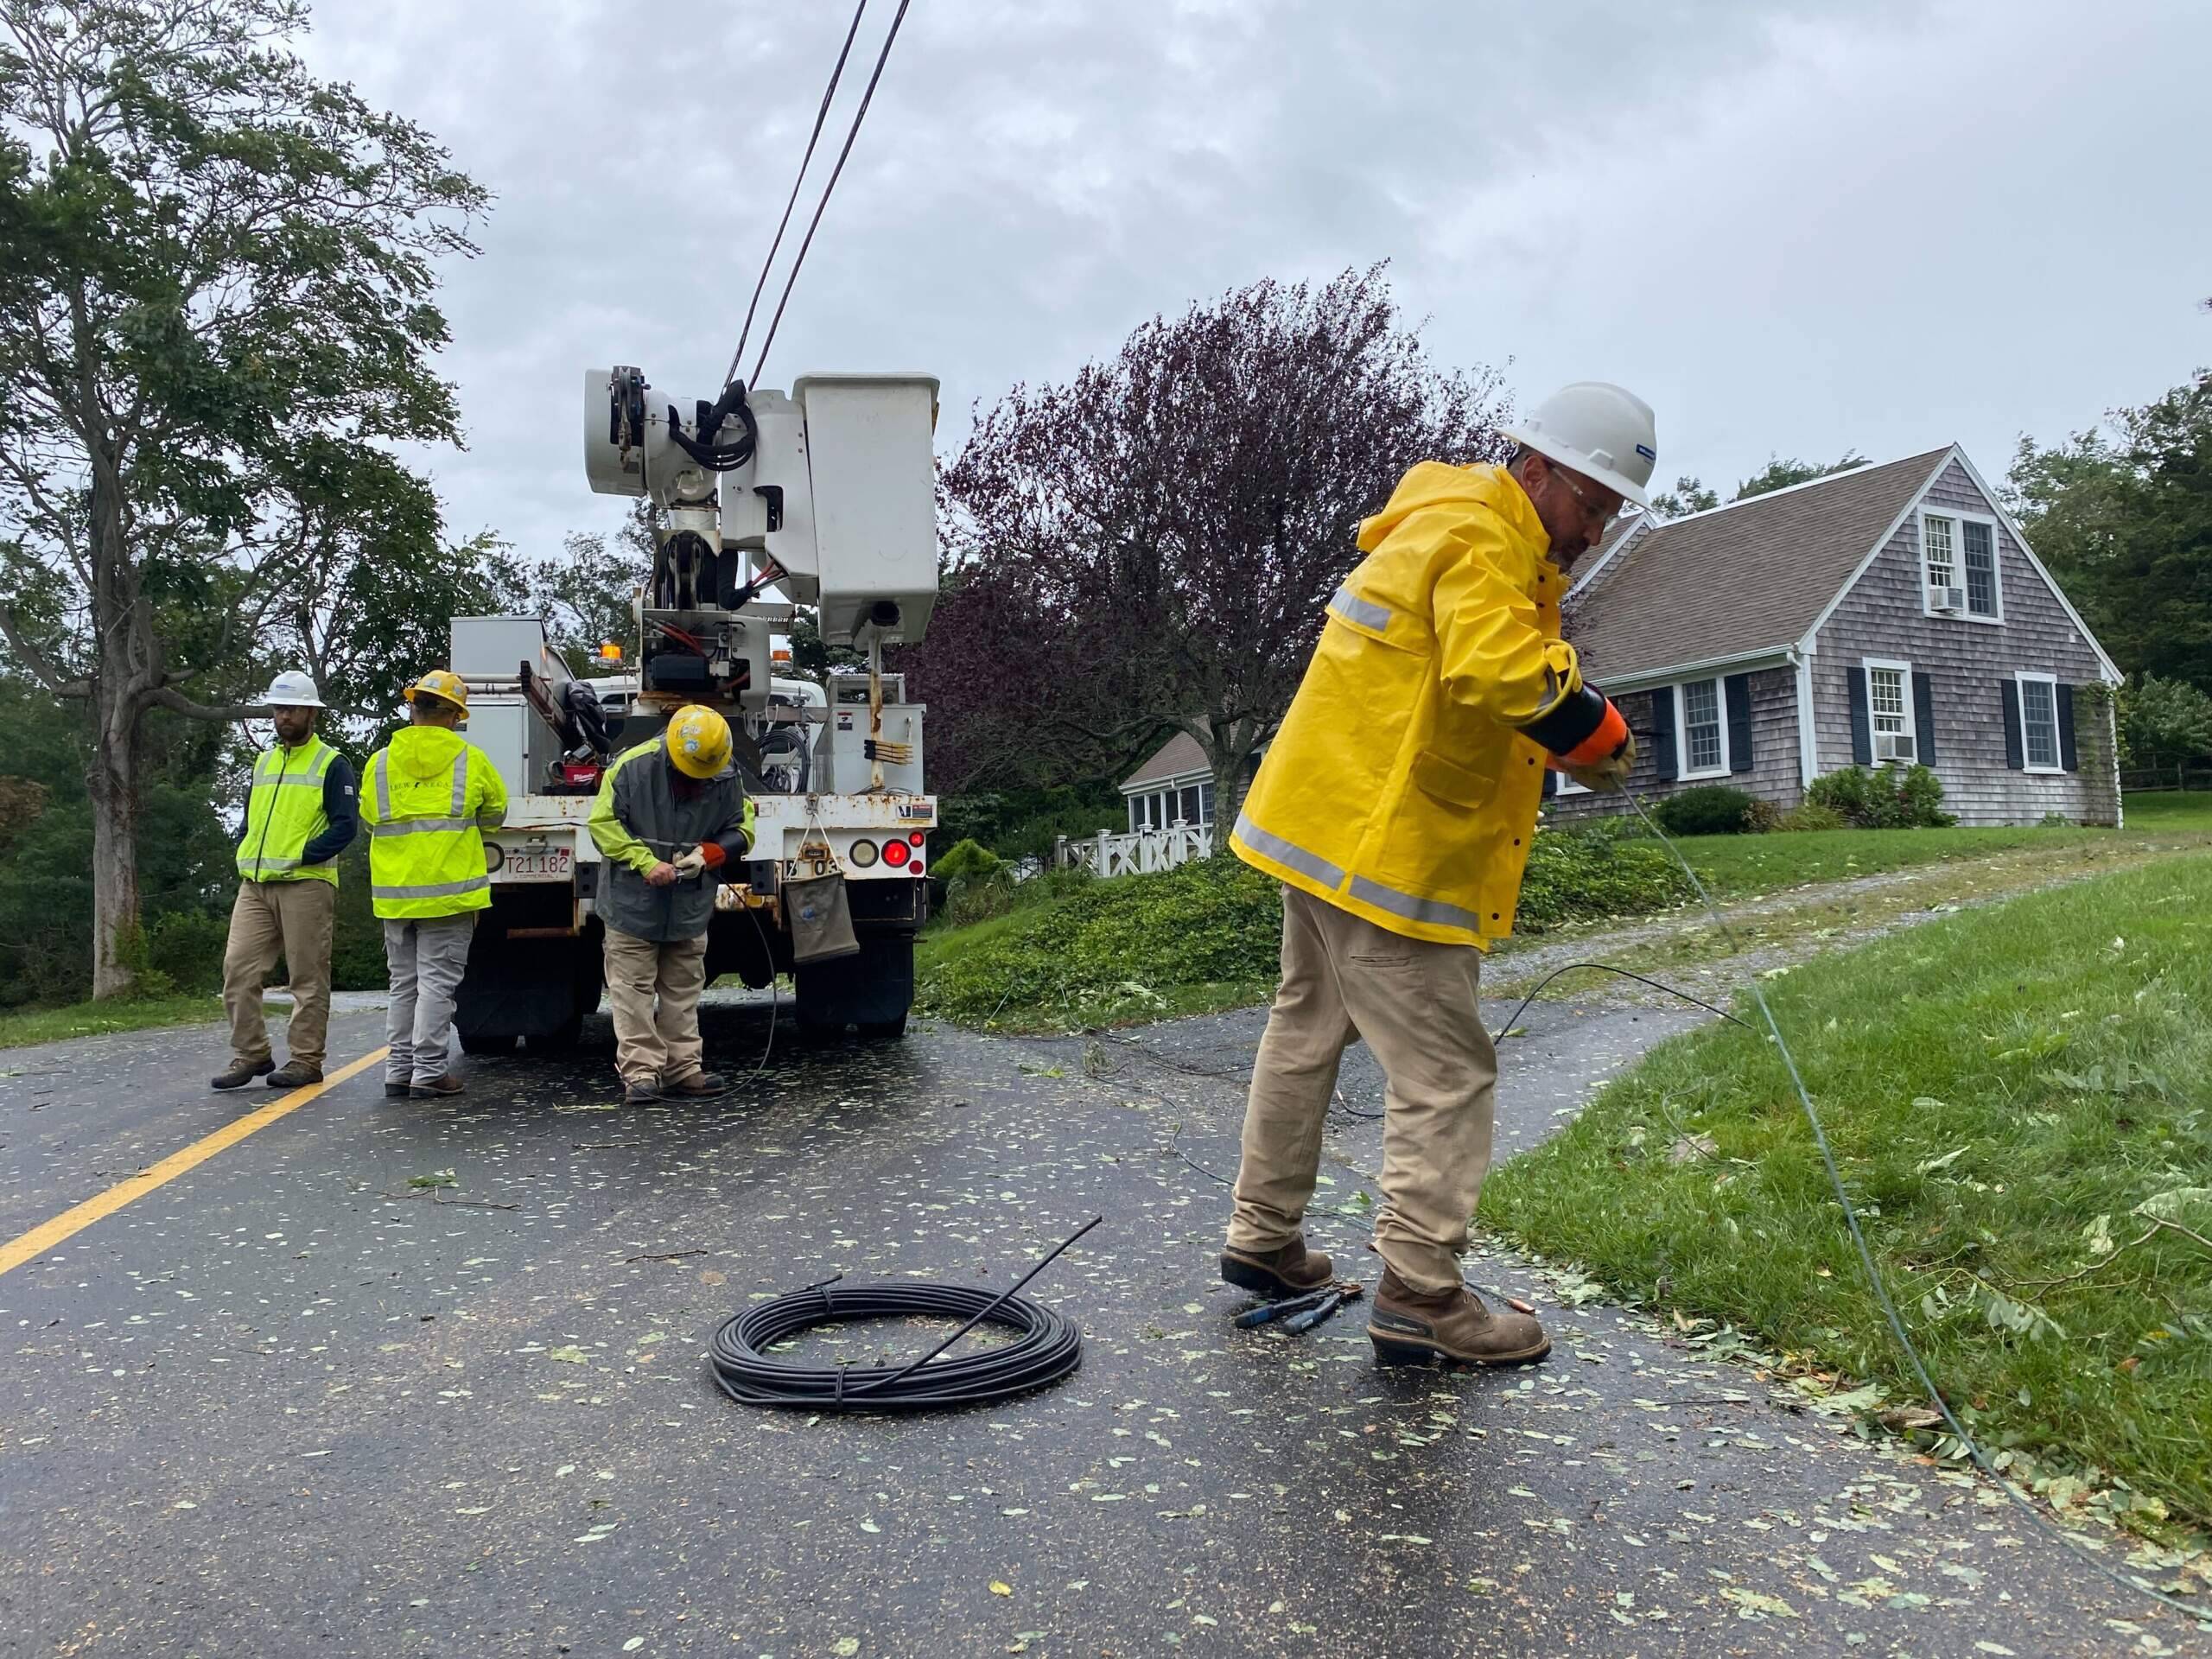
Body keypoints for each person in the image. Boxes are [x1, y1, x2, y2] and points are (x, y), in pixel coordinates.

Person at [1222, 382, 1656, 1369]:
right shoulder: (1482, 538)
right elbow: (1499, 670)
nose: (1594, 526)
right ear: (1535, 467)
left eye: (1608, 511)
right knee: (1446, 1072)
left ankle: (1264, 1240)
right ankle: (1421, 1294)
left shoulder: (1440, 518)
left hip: (1323, 824)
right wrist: (1597, 730)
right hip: (1390, 846)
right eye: (1588, 502)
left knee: (1305, 1028)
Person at [588, 705, 755, 1105]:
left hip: (688, 905)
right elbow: (602, 823)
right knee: (632, 990)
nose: (698, 784)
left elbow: (743, 825)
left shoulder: (725, 773)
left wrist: (711, 853)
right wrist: (646, 862)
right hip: (632, 902)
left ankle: (683, 1068)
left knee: (683, 988)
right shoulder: (633, 767)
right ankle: (642, 1073)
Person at [361, 670, 508, 1099]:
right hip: (448, 892)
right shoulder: (469, 759)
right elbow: (495, 812)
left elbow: (370, 816)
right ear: (453, 716)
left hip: (394, 896)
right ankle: (427, 1071)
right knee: (436, 985)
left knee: (402, 984)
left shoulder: (381, 761)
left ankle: (397, 1070)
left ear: (414, 710)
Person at [213, 671, 358, 1090]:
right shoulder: (264, 761)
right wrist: (244, 849)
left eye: (292, 709)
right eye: (278, 709)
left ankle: (306, 1060)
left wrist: (301, 856)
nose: (283, 716)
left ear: (312, 713)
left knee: (306, 977)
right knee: (237, 969)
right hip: (255, 884)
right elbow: (249, 820)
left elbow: (345, 826)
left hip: (306, 884)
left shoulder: (332, 763)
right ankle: (252, 1053)